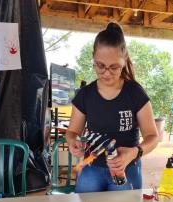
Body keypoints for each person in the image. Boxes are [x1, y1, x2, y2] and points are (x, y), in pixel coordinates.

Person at [66, 22, 159, 193]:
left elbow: (153, 137)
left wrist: (134, 152)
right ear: (93, 59)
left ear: (124, 62)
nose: (107, 73)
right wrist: (73, 142)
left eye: (114, 67)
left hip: (127, 170)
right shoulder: (85, 95)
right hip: (91, 170)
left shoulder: (134, 92)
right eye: (100, 65)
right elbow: (72, 132)